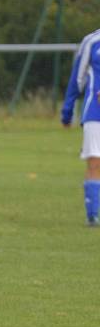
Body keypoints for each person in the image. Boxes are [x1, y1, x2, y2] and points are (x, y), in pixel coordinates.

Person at [61, 28, 100, 226]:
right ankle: (92, 216)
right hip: (95, 112)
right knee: (95, 162)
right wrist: (67, 111)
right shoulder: (92, 42)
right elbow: (77, 79)